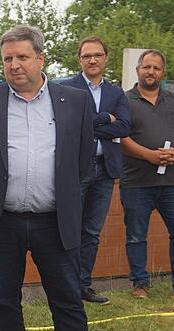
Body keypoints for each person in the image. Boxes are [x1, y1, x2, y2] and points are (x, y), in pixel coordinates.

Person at [0, 25, 117, 331]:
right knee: (3, 300)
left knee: (67, 301)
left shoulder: (75, 101)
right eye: (8, 59)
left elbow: (83, 160)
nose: (14, 65)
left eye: (22, 57)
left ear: (41, 58)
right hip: (4, 221)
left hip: (55, 220)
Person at [60, 36, 130, 305]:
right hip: (77, 168)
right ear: (79, 59)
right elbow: (68, 124)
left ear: (105, 58)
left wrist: (89, 125)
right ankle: (66, 286)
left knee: (91, 231)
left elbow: (124, 127)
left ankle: (83, 285)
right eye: (87, 55)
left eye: (97, 55)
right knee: (70, 228)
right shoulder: (67, 88)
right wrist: (103, 119)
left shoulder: (116, 93)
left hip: (105, 170)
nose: (92, 60)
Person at [120, 49, 174, 298]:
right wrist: (148, 155)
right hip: (136, 182)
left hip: (172, 182)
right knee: (135, 236)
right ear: (138, 70)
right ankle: (140, 284)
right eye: (146, 67)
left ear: (162, 72)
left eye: (156, 68)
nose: (150, 72)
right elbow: (119, 138)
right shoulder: (123, 100)